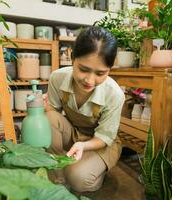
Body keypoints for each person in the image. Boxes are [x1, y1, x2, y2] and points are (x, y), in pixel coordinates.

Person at [45, 26, 125, 192]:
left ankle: (94, 172)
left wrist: (83, 146)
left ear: (109, 69)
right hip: (74, 134)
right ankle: (57, 175)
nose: (90, 80)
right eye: (83, 69)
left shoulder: (114, 94)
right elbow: (52, 115)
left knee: (78, 179)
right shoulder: (57, 78)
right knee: (48, 119)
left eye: (100, 73)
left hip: (101, 144)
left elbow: (104, 138)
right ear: (72, 58)